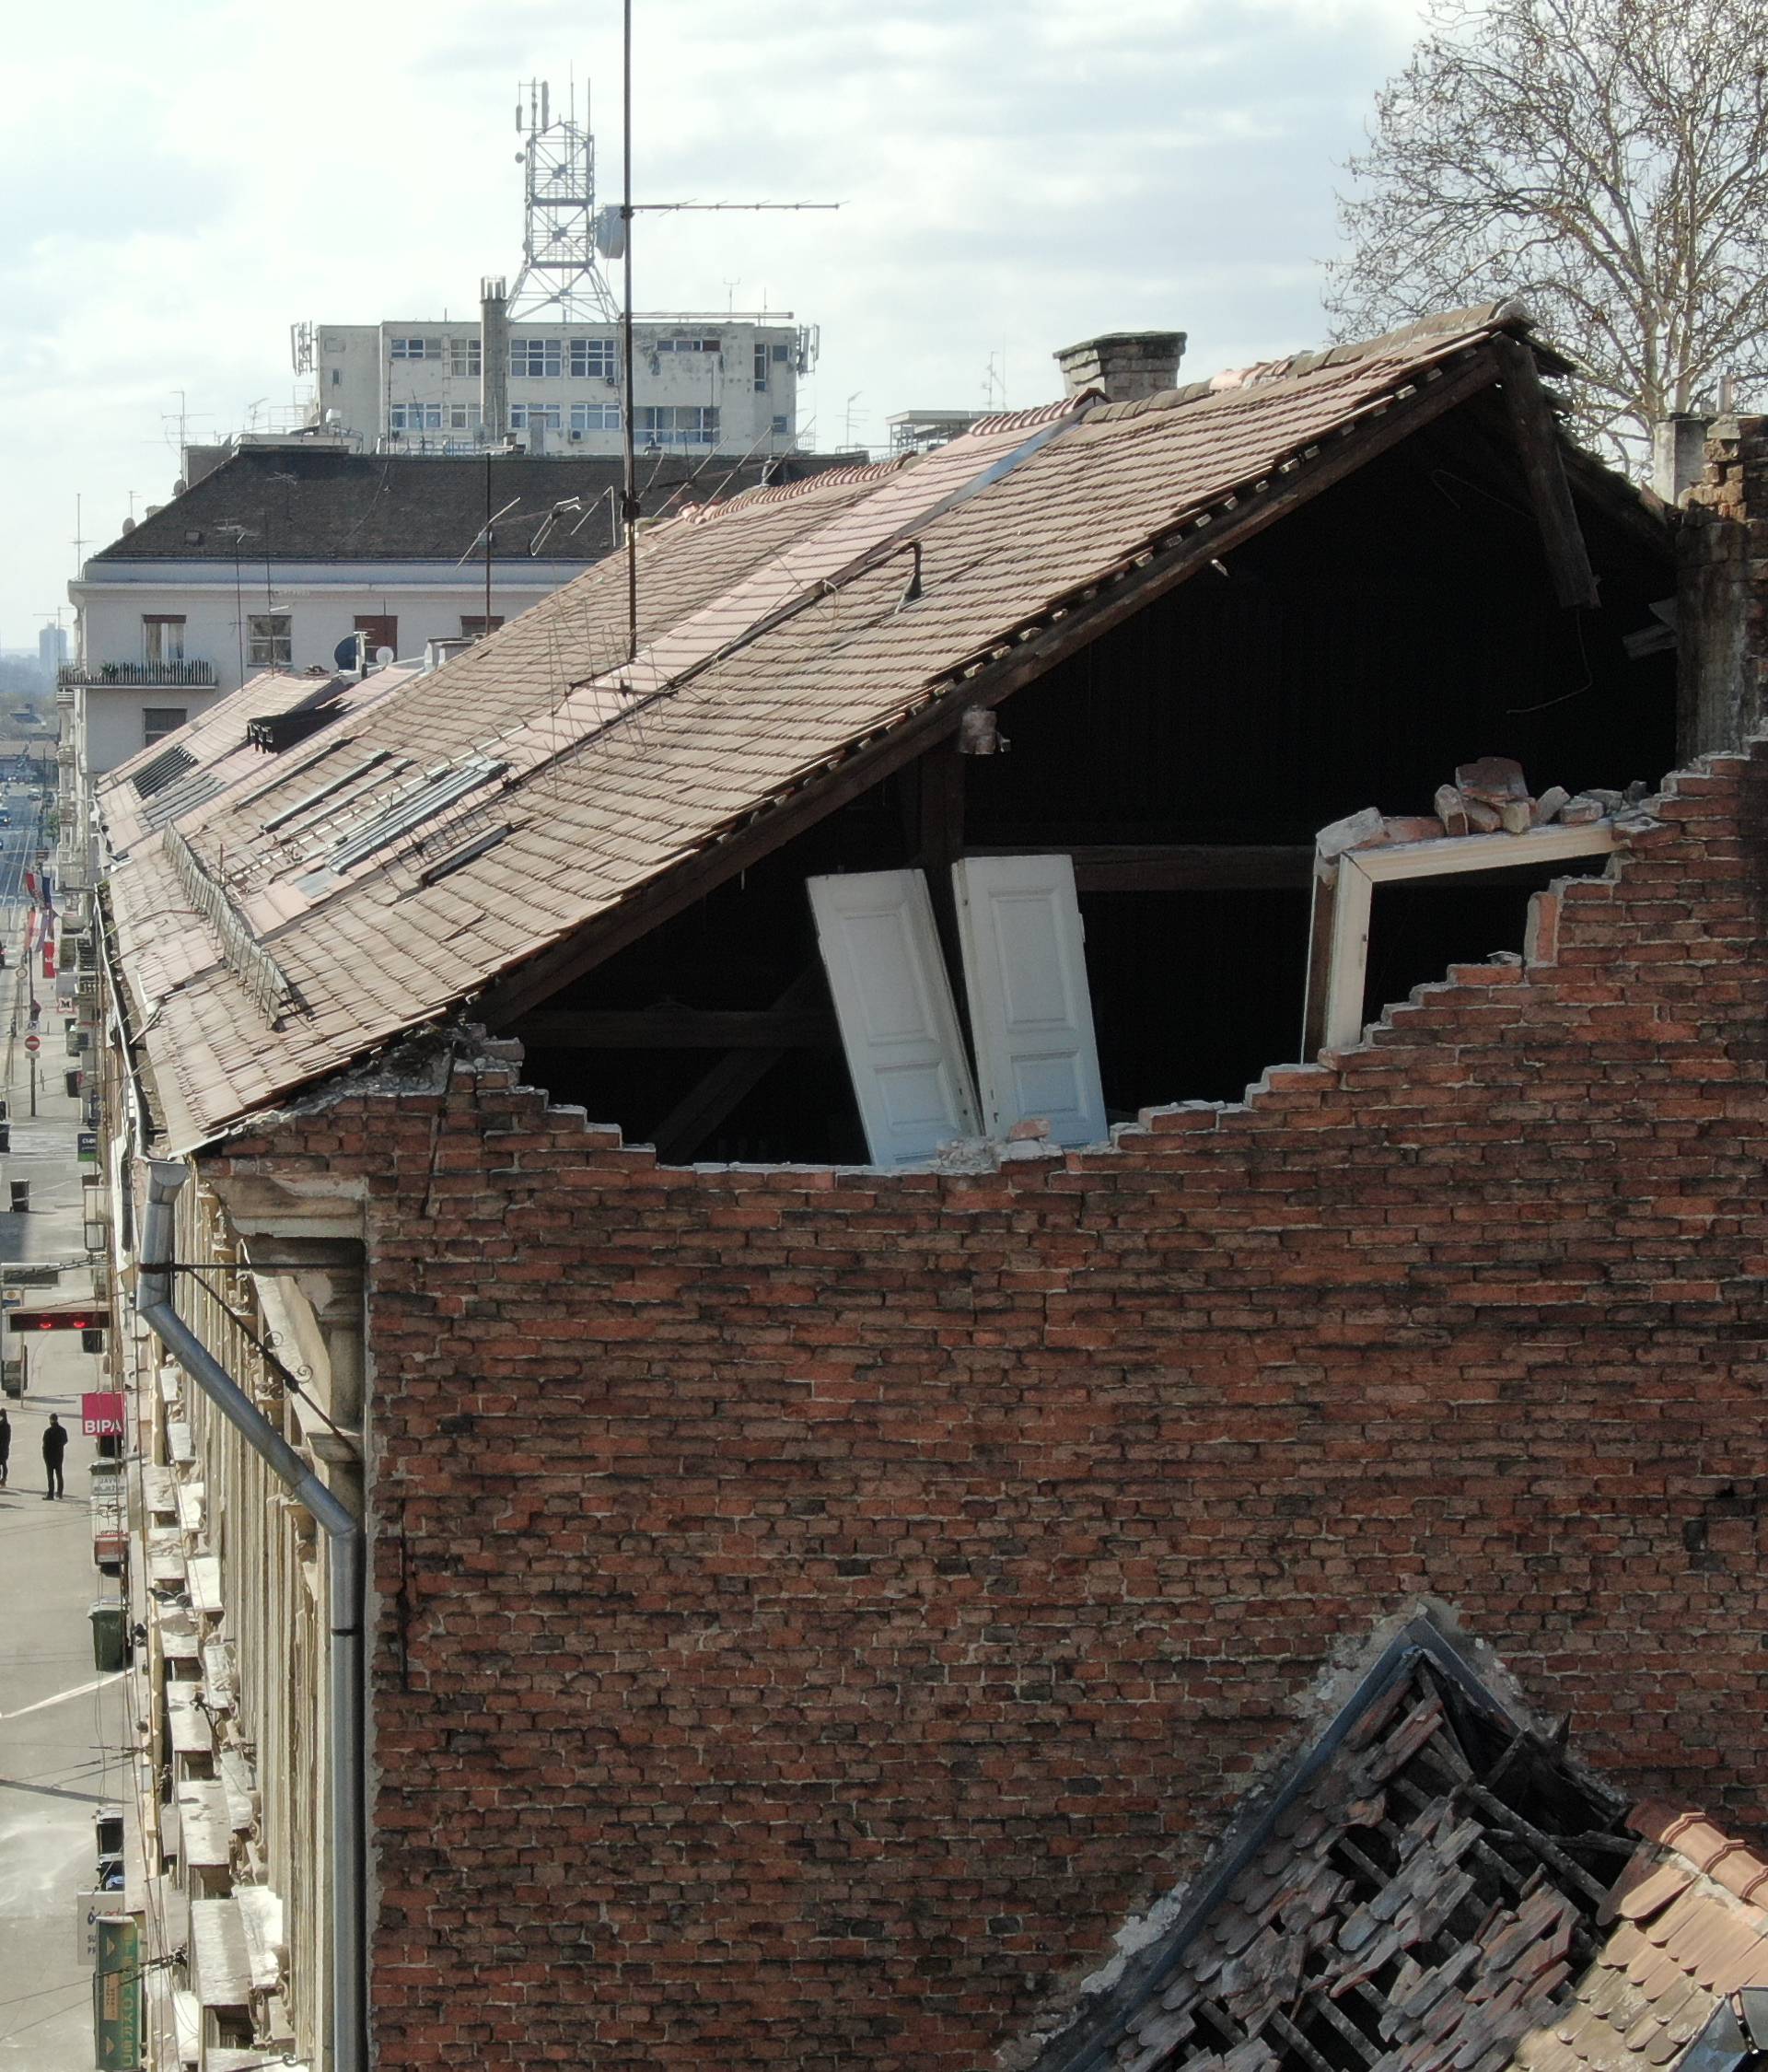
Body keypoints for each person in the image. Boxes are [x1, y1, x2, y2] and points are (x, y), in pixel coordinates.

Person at [41, 1412, 65, 1500]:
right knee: (59, 1474)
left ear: (51, 1420)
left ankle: (50, 1494)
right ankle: (59, 1493)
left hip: (49, 1457)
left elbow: (44, 1445)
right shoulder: (62, 1430)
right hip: (59, 1456)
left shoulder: (48, 1432)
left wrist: (45, 1456)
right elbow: (65, 1440)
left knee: (50, 1476)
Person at [0, 1405, 9, 1485]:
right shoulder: (6, 1425)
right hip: (4, 1448)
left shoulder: (6, 1426)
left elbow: (6, 1438)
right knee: (3, 1464)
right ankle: (3, 1479)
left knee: (3, 1463)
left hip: (3, 1448)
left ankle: (4, 1479)